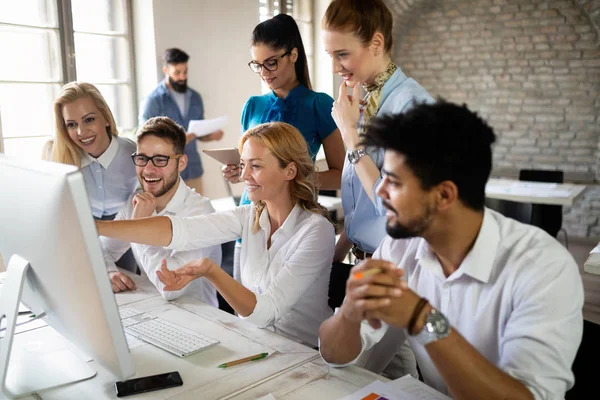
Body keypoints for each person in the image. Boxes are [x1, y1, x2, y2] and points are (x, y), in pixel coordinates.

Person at [318, 101, 584, 399]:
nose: (379, 192)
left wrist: (423, 318)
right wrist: (349, 316)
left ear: (444, 195)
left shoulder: (543, 267)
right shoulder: (400, 245)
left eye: (392, 181)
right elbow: (332, 355)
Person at [96, 122, 335, 347]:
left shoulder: (316, 230)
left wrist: (210, 270)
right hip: (254, 344)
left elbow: (267, 313)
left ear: (289, 171)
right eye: (243, 165)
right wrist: (96, 226)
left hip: (304, 354)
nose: (243, 175)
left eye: (256, 166)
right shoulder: (248, 215)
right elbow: (181, 230)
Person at [322, 0, 433, 263]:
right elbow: (362, 206)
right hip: (361, 259)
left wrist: (350, 136)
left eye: (342, 54)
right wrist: (331, 262)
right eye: (330, 55)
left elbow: (394, 204)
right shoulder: (364, 101)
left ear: (376, 43)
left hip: (395, 268)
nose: (335, 68)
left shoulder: (413, 106)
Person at [100, 117, 221, 306]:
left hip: (199, 319)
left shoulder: (201, 212)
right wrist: (108, 271)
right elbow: (100, 250)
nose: (148, 169)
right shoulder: (135, 203)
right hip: (153, 310)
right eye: (142, 159)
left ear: (181, 163)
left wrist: (138, 227)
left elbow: (171, 288)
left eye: (160, 160)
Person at [222, 14, 345, 194]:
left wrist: (294, 179)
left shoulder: (319, 105)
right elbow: (249, 167)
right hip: (250, 211)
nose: (264, 73)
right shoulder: (252, 105)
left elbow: (342, 176)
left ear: (293, 55)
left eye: (271, 63)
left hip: (295, 212)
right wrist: (237, 172)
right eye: (257, 65)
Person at [139, 48, 223, 196]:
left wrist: (211, 136)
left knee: (199, 216)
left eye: (185, 72)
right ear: (166, 70)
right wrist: (177, 139)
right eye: (177, 72)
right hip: (167, 174)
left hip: (193, 169)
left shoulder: (195, 97)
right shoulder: (153, 100)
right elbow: (145, 137)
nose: (182, 77)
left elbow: (198, 133)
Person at [51, 81, 138, 220]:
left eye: (89, 120)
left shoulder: (135, 154)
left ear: (106, 119)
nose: (81, 132)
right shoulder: (60, 158)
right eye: (72, 124)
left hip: (126, 229)